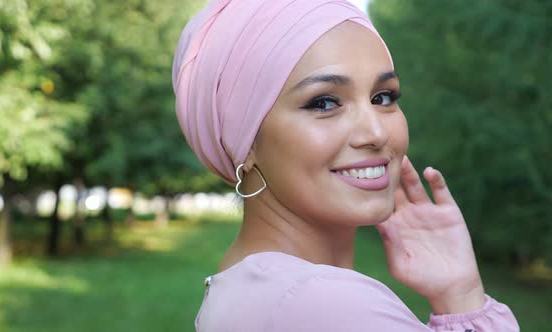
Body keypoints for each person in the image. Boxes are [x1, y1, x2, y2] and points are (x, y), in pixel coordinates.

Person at [172, 0, 520, 331]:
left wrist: (457, 292)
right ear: (243, 141)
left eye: (383, 97)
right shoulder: (325, 304)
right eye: (323, 103)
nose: (376, 132)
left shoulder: (244, 286)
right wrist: (463, 301)